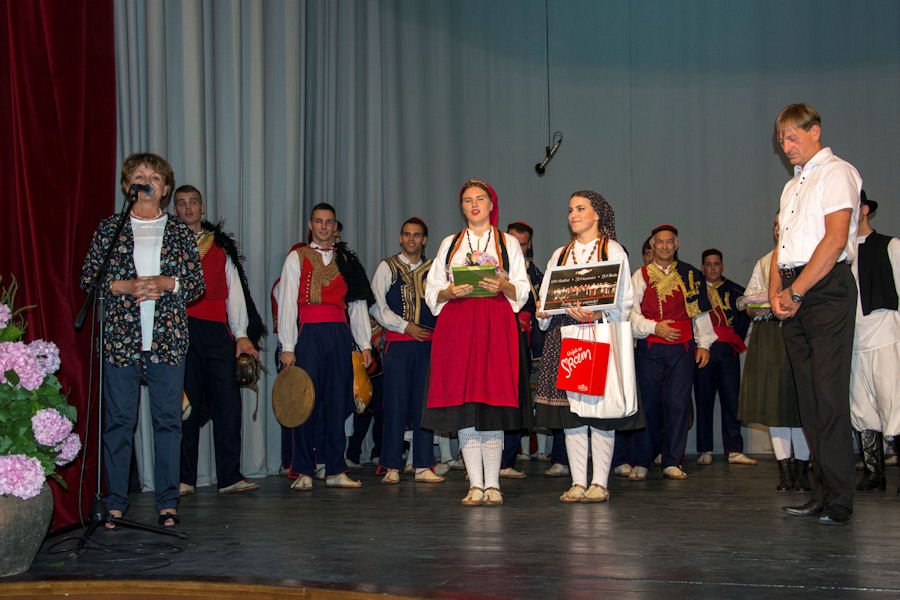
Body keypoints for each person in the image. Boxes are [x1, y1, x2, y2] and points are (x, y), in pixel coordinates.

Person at [81, 153, 204, 527]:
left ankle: (167, 502)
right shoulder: (110, 228)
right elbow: (90, 278)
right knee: (119, 422)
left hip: (167, 338)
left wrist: (167, 283)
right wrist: (125, 286)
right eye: (138, 175)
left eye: (154, 176)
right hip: (121, 339)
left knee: (168, 422)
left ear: (164, 188)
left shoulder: (179, 231)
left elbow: (195, 284)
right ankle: (116, 502)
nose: (146, 179)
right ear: (127, 186)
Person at [771, 103, 861, 525]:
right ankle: (820, 491)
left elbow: (836, 239)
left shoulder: (837, 172)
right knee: (808, 399)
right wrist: (777, 292)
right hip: (796, 290)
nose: (786, 146)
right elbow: (781, 247)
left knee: (828, 394)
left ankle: (841, 496)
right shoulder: (792, 186)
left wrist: (796, 290)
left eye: (792, 137)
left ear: (815, 131)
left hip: (824, 290)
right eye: (781, 140)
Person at [422, 180, 530, 506]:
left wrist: (503, 286)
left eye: (480, 198)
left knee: (492, 403)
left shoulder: (507, 242)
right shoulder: (450, 243)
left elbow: (522, 289)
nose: (474, 204)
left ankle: (493, 484)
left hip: (495, 325)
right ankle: (475, 484)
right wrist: (448, 292)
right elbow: (432, 289)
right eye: (468, 200)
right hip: (457, 327)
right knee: (464, 405)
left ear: (491, 204)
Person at [533, 191, 638, 502]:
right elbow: (547, 297)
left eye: (580, 209)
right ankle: (578, 482)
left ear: (597, 215)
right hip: (565, 336)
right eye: (570, 210)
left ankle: (600, 483)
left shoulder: (612, 250)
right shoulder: (560, 254)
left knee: (599, 413)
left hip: (598, 333)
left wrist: (598, 314)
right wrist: (543, 311)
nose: (573, 215)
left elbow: (625, 299)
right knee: (572, 415)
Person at [172, 185, 265, 496]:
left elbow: (235, 294)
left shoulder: (220, 246)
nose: (187, 208)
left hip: (216, 330)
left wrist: (241, 335)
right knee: (186, 404)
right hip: (181, 329)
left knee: (228, 402)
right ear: (175, 210)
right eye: (181, 203)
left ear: (202, 208)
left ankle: (229, 477)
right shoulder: (167, 245)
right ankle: (184, 478)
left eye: (193, 202)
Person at [276, 202, 374, 490]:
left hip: (339, 335)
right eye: (318, 221)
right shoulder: (296, 257)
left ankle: (335, 469)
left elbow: (357, 304)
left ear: (335, 226)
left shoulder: (347, 261)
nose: (323, 226)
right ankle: (304, 470)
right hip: (308, 334)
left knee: (337, 402)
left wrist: (365, 343)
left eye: (328, 222)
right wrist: (288, 345)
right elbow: (287, 303)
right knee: (305, 402)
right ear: (310, 225)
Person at [628, 224, 715, 480]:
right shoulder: (640, 275)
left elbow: (700, 312)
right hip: (650, 348)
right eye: (660, 242)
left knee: (678, 404)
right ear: (652, 245)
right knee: (648, 405)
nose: (664, 246)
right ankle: (642, 460)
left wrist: (704, 344)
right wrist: (655, 327)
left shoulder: (690, 274)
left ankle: (672, 461)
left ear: (676, 245)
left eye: (669, 242)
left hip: (682, 350)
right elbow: (630, 314)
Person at [737, 213, 810, 491]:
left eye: (784, 224)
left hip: (801, 335)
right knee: (775, 406)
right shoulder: (765, 262)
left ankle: (802, 471)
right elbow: (749, 305)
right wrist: (759, 306)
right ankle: (785, 472)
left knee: (800, 405)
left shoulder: (809, 259)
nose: (780, 229)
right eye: (776, 225)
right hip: (770, 337)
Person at [370, 217, 443, 484]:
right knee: (395, 404)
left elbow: (442, 305)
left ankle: (423, 465)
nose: (411, 239)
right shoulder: (387, 267)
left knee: (424, 405)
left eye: (417, 235)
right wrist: (405, 326)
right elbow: (376, 305)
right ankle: (391, 464)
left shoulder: (435, 269)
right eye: (407, 234)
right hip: (398, 344)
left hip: (427, 346)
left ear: (424, 240)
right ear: (401, 238)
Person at [850, 190, 900, 493]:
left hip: (885, 335)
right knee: (860, 408)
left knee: (893, 403)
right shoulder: (838, 255)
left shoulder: (890, 246)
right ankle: (874, 473)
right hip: (852, 341)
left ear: (865, 209)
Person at [693, 249, 755, 466]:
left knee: (731, 399)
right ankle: (705, 450)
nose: (712, 268)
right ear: (702, 267)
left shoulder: (736, 291)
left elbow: (745, 319)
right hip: (703, 350)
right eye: (708, 264)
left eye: (716, 264)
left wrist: (735, 339)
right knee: (703, 399)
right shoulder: (695, 291)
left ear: (722, 266)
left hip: (727, 351)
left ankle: (735, 449)